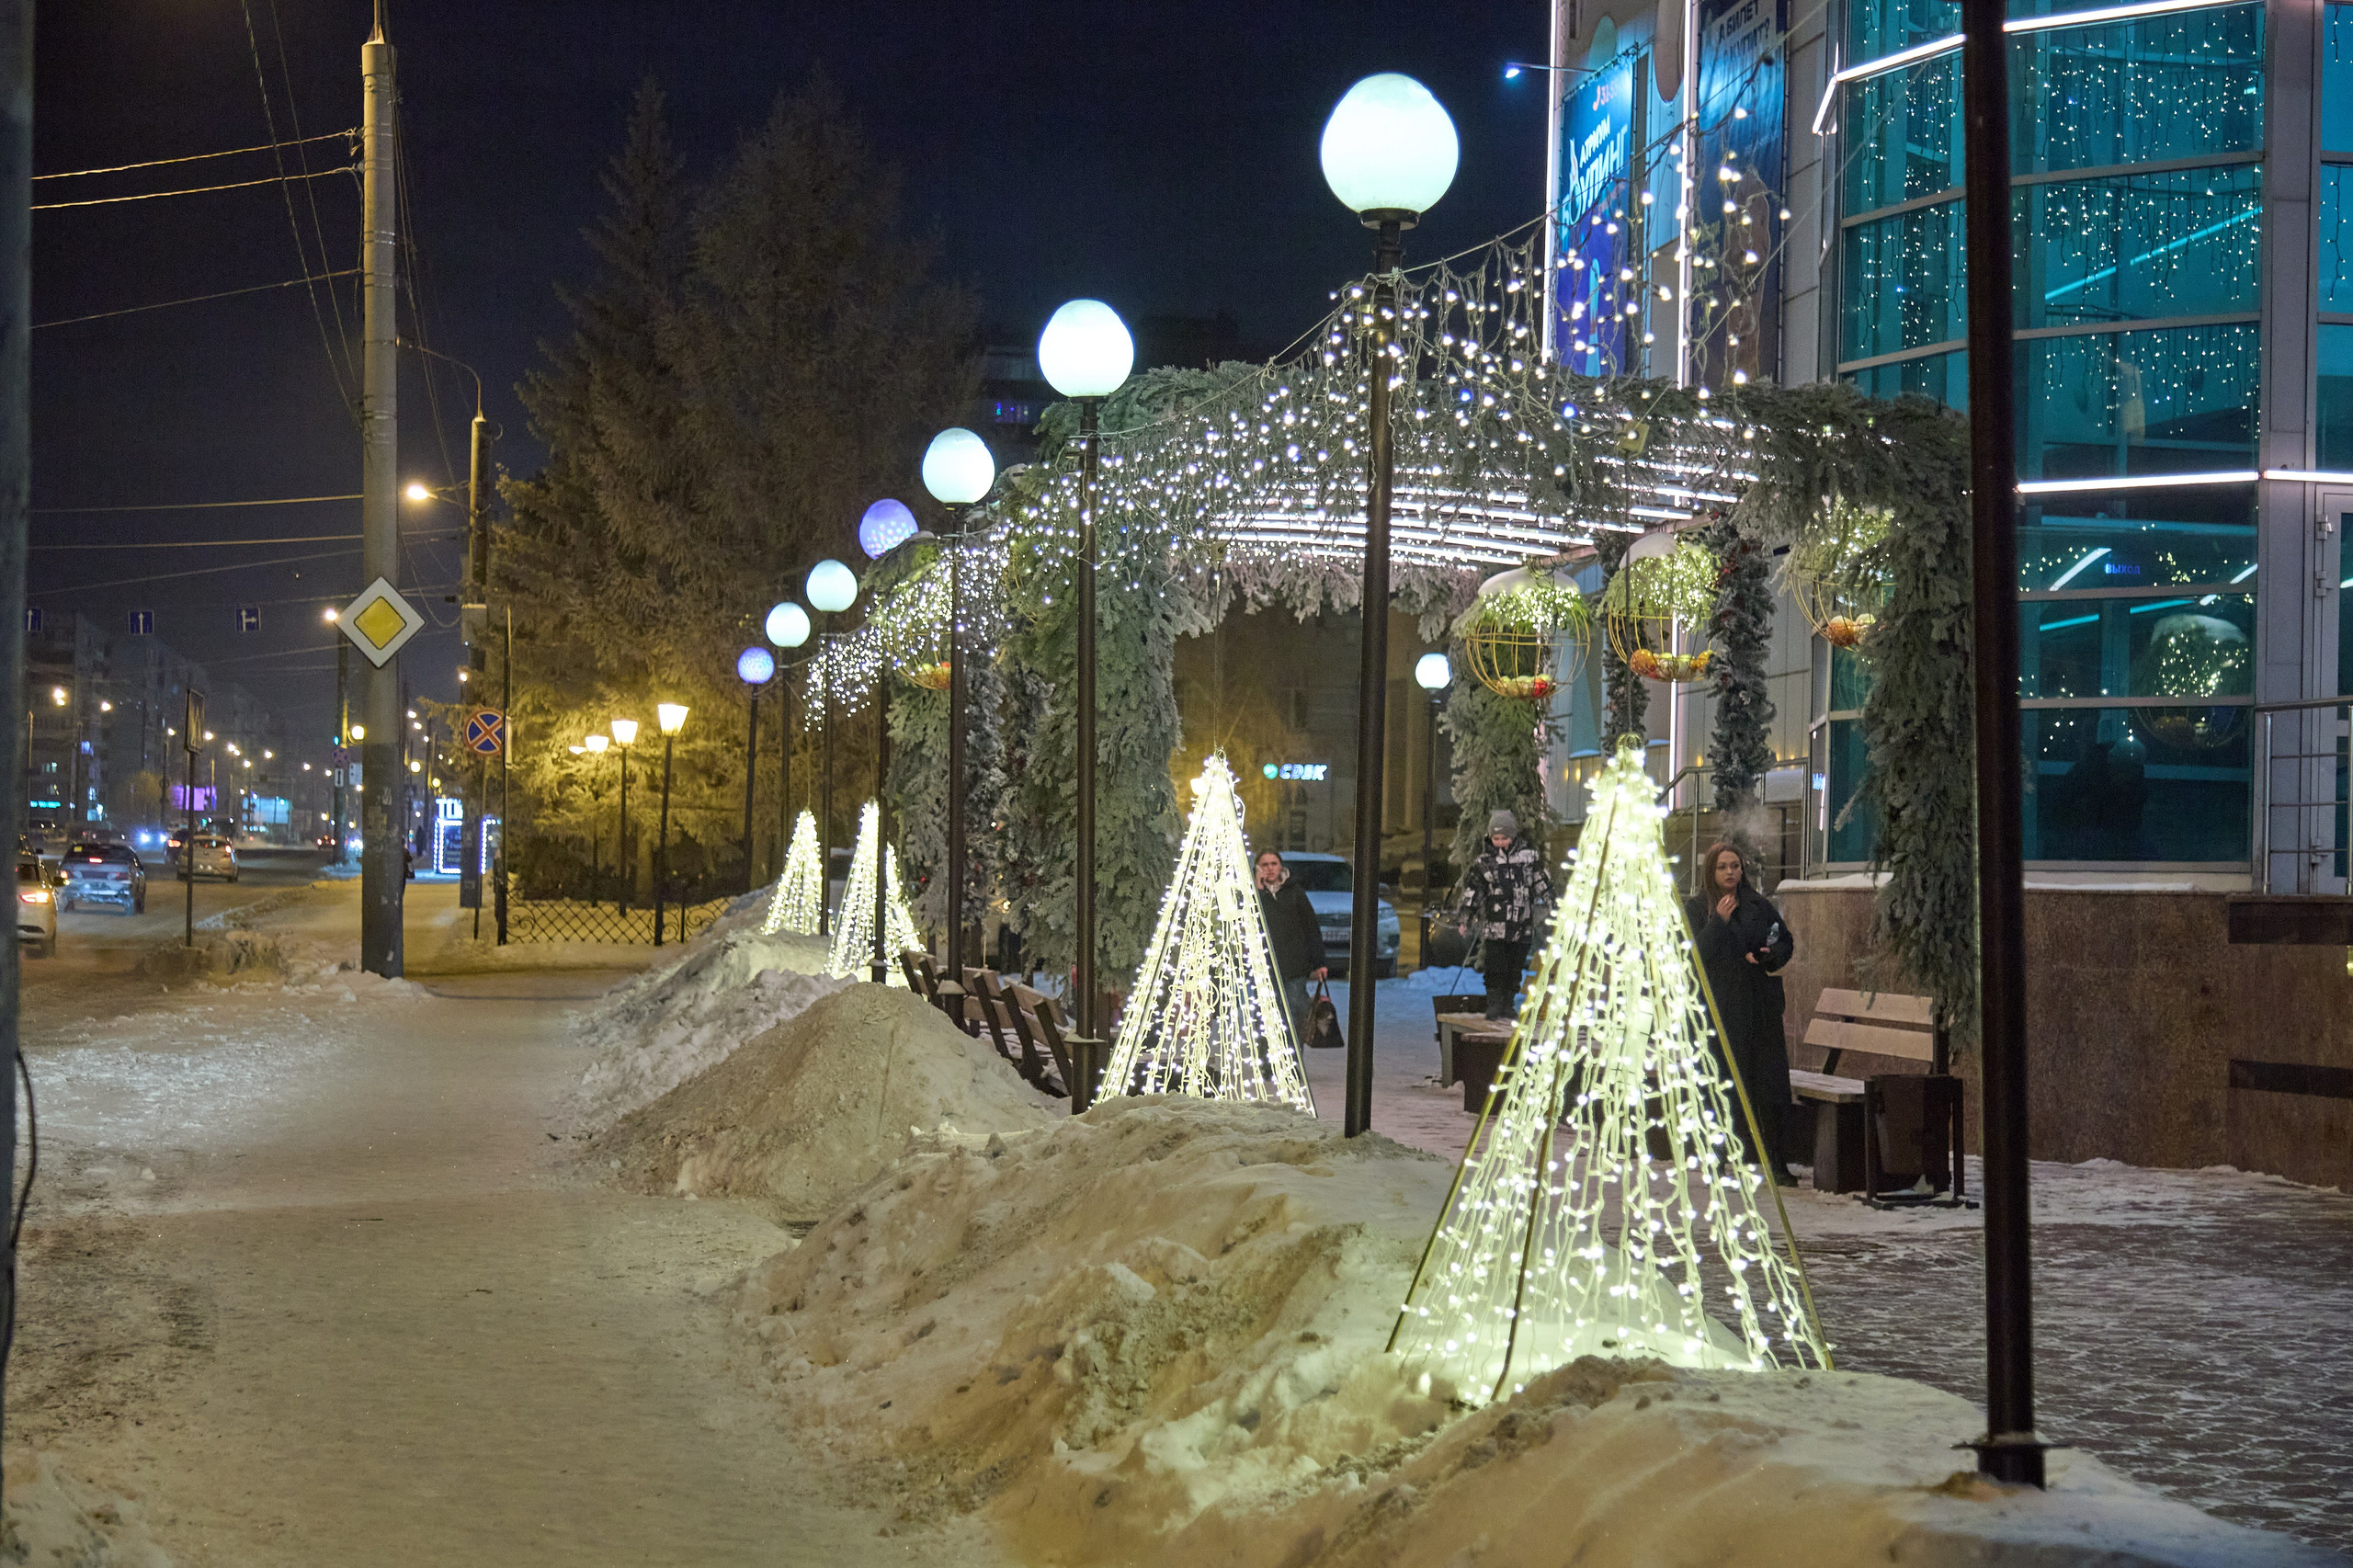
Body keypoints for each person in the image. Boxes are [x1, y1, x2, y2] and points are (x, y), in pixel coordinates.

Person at [1683, 842, 1796, 1183]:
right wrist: (1718, 921)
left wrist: (1767, 956)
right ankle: (1718, 1156)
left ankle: (1776, 1160)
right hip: (1722, 1006)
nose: (1731, 872)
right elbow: (1694, 954)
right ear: (1710, 872)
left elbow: (1783, 941)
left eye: (1735, 866)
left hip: (1759, 1006)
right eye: (1723, 867)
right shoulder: (1698, 907)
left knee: (1770, 1084)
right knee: (1723, 1083)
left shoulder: (1758, 905)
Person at [1454, 810, 1552, 1020]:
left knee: (1514, 967)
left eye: (1504, 838)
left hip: (1521, 926)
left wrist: (1551, 901)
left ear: (1513, 836)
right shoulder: (1485, 863)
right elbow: (1473, 892)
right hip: (1495, 928)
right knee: (1495, 966)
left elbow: (1541, 882)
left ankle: (1508, 1003)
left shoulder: (1528, 858)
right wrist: (1465, 918)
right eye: (1496, 838)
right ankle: (1494, 1002)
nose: (1500, 843)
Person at [1254, 848, 1327, 1041]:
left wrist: (1319, 962)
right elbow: (1252, 919)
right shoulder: (1253, 894)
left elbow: (1310, 926)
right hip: (1264, 969)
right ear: (1257, 868)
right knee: (1266, 1022)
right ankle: (1268, 1068)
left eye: (1274, 864)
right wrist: (1258, 890)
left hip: (1294, 968)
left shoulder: (1294, 892)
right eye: (1264, 865)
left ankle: (1294, 1067)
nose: (1269, 869)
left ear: (1281, 866)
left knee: (1294, 1020)